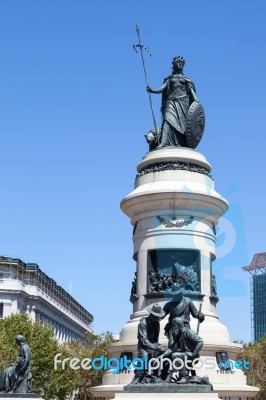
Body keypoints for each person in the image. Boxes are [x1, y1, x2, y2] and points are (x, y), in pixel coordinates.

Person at [147, 56, 197, 148]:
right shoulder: (169, 78)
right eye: (178, 62)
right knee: (167, 119)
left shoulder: (186, 79)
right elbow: (163, 88)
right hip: (171, 101)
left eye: (181, 63)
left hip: (183, 102)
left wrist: (196, 99)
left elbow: (190, 90)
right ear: (174, 65)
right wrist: (153, 90)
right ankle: (164, 142)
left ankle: (182, 143)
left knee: (183, 124)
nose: (180, 64)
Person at [131, 303, 166, 384]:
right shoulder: (143, 323)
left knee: (164, 352)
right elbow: (143, 340)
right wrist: (155, 347)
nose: (158, 318)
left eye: (158, 316)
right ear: (151, 314)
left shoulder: (157, 323)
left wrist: (158, 347)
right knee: (145, 356)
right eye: (156, 316)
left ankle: (159, 375)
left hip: (153, 345)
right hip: (143, 346)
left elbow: (156, 338)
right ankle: (139, 376)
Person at [161, 317, 203, 384]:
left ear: (178, 324)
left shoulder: (188, 332)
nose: (173, 327)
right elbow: (172, 349)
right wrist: (162, 356)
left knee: (175, 355)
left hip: (191, 355)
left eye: (173, 325)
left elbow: (200, 341)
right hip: (184, 355)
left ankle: (185, 377)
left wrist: (193, 354)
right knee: (172, 356)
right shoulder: (178, 335)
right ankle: (169, 377)